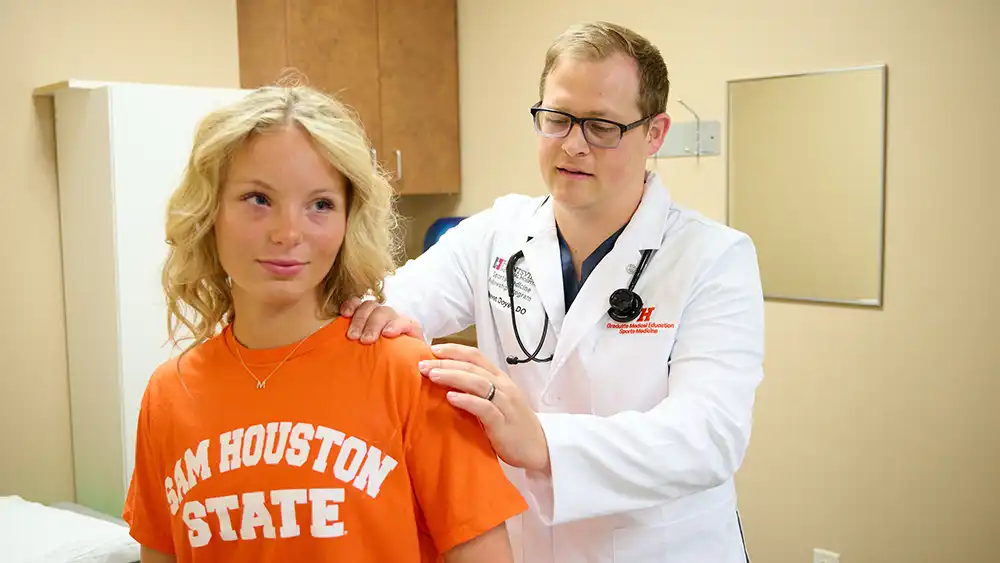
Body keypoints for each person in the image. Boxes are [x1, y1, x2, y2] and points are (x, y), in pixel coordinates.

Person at [341, 21, 765, 563]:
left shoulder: (713, 257)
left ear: (655, 134)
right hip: (527, 544)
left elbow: (708, 437)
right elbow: (384, 312)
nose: (573, 145)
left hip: (661, 548)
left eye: (602, 126)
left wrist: (540, 441)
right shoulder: (493, 234)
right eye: (558, 119)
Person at [121, 84, 528, 563]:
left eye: (320, 204)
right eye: (258, 198)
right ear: (210, 213)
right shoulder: (170, 395)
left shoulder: (412, 378)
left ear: (347, 221)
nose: (288, 233)